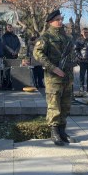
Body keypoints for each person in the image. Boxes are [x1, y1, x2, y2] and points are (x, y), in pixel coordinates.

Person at [34, 9, 76, 146]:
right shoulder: (46, 37)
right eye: (58, 19)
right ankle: (55, 132)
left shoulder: (66, 38)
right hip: (54, 78)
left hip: (67, 77)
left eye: (61, 19)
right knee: (54, 106)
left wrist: (73, 61)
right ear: (51, 22)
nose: (60, 21)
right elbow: (38, 54)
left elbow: (71, 55)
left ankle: (62, 131)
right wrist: (53, 68)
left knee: (65, 105)